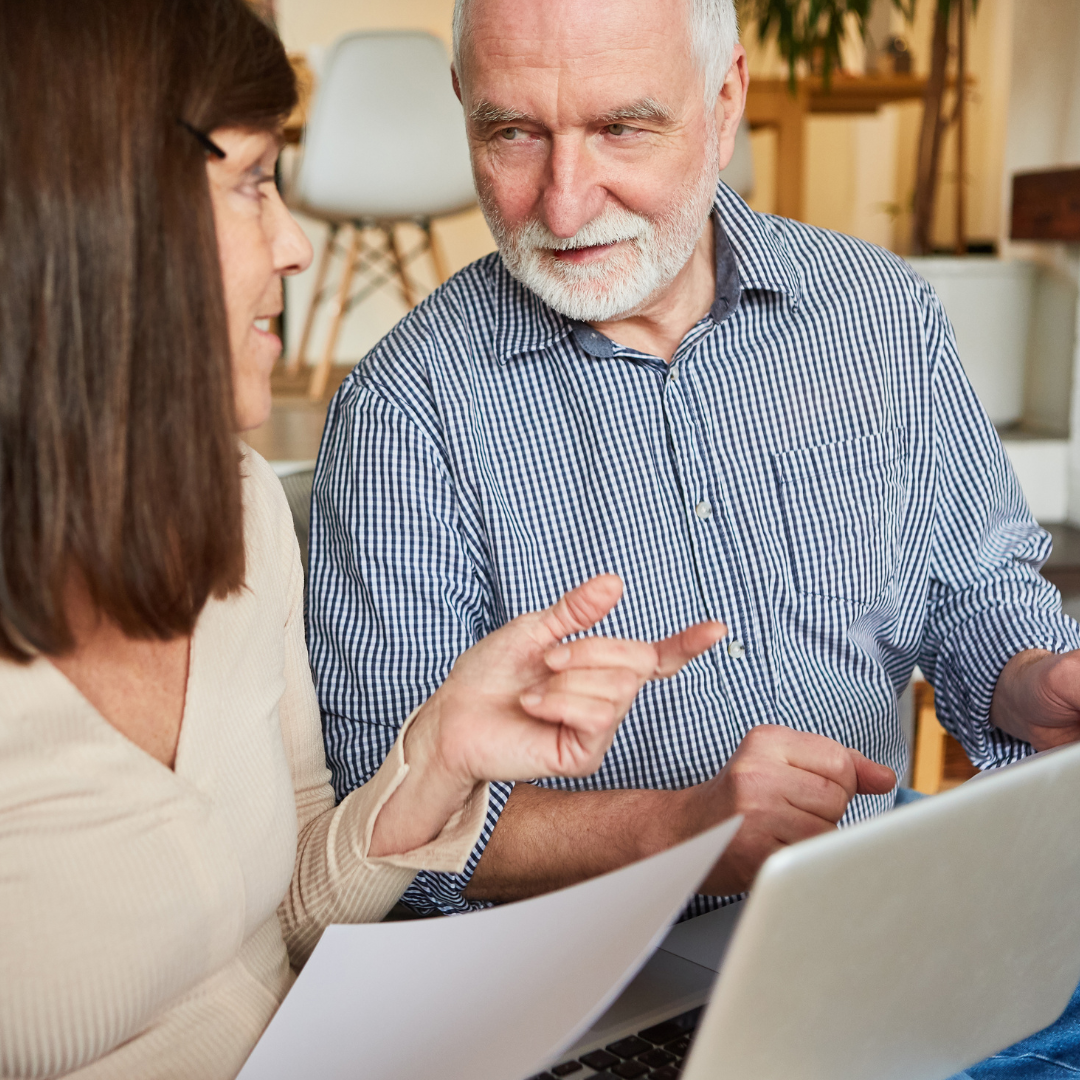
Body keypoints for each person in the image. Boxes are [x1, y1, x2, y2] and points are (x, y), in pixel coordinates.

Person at [306, 0, 1080, 1071]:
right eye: (511, 132)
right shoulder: (406, 413)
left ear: (724, 105)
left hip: (867, 926)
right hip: (578, 995)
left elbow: (970, 587)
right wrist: (688, 823)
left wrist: (1024, 678)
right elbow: (386, 829)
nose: (565, 202)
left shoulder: (879, 316)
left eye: (622, 127)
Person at [0, 2, 722, 1077]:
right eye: (253, 184)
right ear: (100, 215)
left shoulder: (235, 505)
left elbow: (286, 919)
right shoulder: (403, 403)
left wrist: (437, 756)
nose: (295, 245)